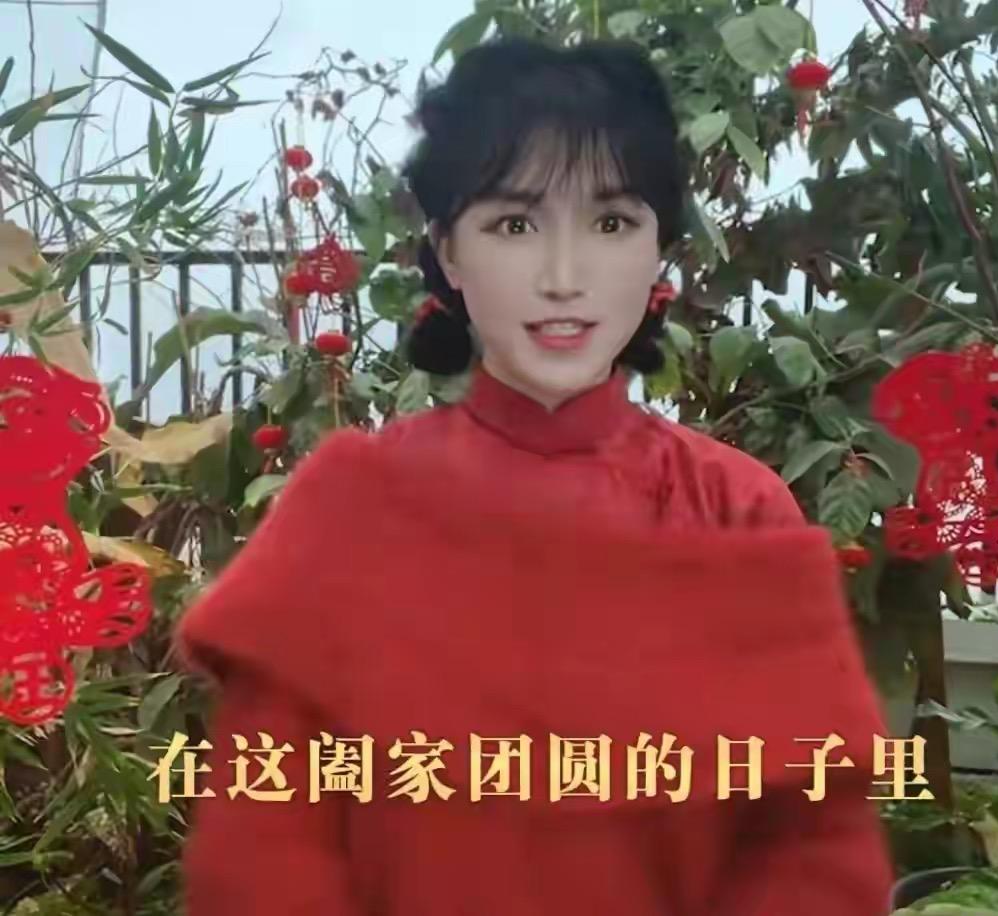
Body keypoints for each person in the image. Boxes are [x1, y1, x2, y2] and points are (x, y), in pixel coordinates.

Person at [176, 37, 895, 914]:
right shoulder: (350, 511)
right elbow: (265, 845)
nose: (564, 278)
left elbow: (810, 847)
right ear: (448, 252)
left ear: (659, 250)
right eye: (514, 225)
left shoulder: (737, 509)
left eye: (611, 223)